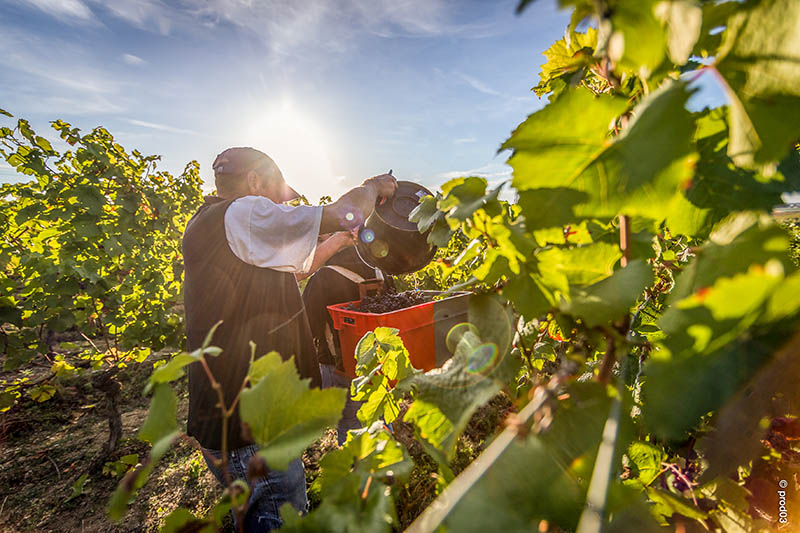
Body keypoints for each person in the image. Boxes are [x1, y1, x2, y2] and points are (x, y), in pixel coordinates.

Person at [181, 146, 396, 531]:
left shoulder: (218, 226)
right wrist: (372, 186)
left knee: (258, 516)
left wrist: (338, 243)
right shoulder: (241, 211)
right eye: (278, 198)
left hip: (239, 417)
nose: (281, 208)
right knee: (278, 516)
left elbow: (296, 270)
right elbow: (346, 212)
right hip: (248, 426)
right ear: (253, 181)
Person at [302, 246, 395, 445]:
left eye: (322, 240)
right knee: (381, 416)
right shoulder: (381, 269)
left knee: (351, 425)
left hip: (340, 366)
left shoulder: (322, 279)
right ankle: (388, 469)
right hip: (380, 362)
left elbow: (307, 327)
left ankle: (362, 472)